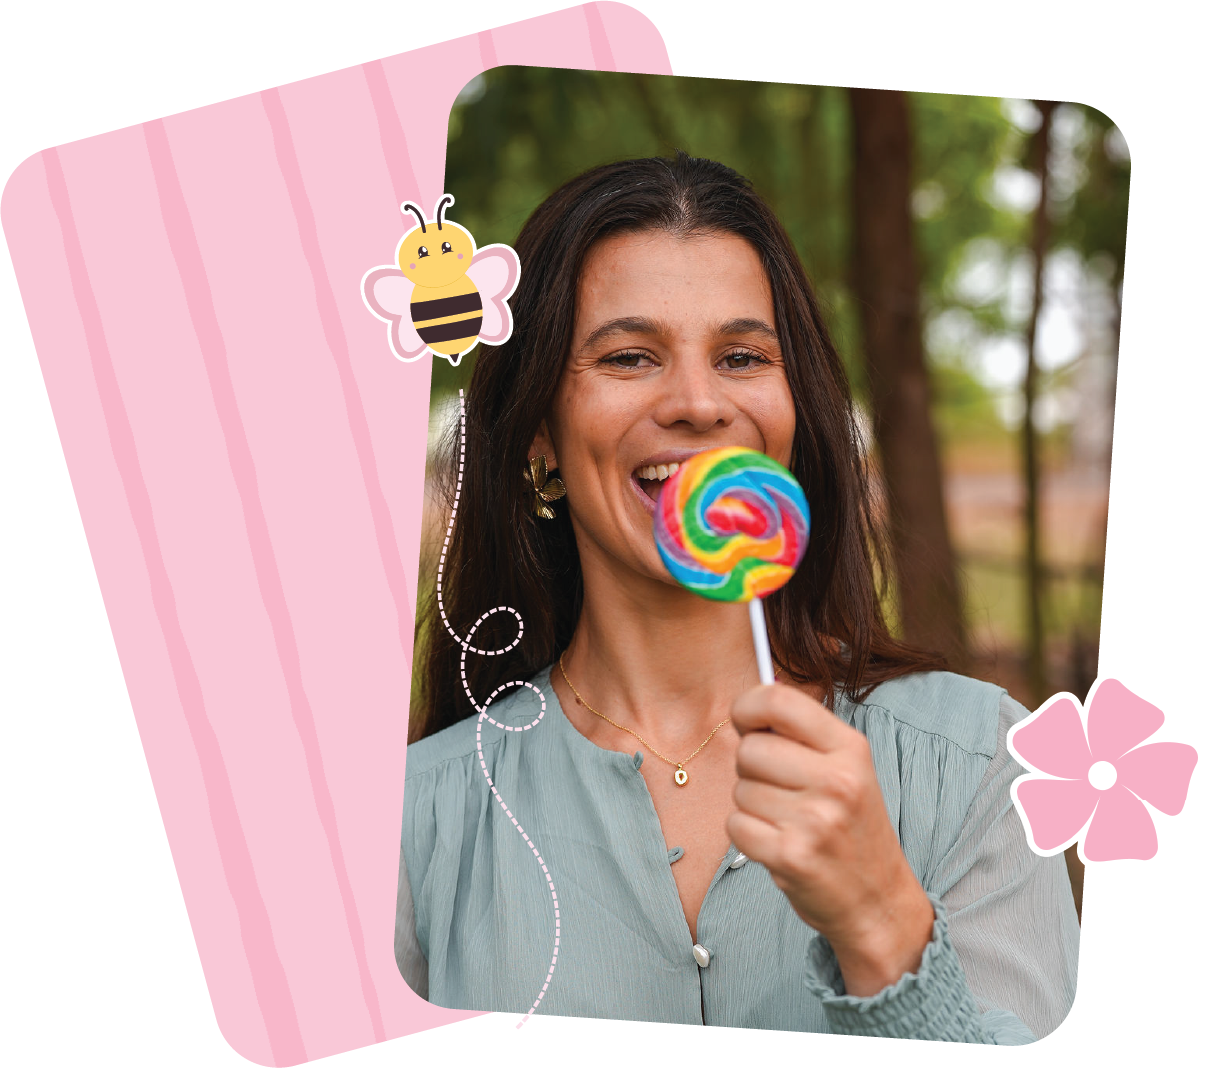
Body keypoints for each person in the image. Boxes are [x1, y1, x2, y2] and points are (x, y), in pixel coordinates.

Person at [395, 154, 1081, 1052]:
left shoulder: (979, 763)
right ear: (539, 440)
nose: (696, 402)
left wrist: (880, 921)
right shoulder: (417, 823)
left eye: (742, 356)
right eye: (629, 356)